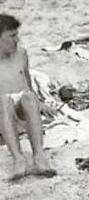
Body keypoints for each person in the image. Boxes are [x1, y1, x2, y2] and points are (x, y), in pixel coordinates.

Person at [0, 14, 56, 181]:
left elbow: (26, 80)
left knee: (30, 98)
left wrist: (39, 103)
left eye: (16, 34)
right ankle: (18, 160)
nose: (17, 40)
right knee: (4, 101)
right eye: (12, 36)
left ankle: (39, 158)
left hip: (18, 107)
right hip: (2, 109)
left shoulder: (21, 53)